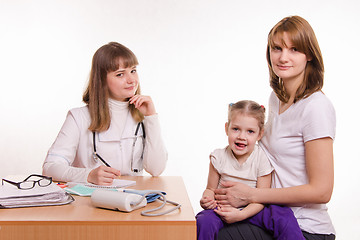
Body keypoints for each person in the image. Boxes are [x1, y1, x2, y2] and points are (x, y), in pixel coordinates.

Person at [215, 16, 336, 240]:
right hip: (270, 215)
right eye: (277, 48)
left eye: (294, 49)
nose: (283, 57)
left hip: (303, 227)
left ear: (309, 54)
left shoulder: (316, 107)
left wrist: (251, 195)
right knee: (205, 225)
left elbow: (322, 191)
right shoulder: (276, 99)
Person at [43, 42, 167, 185]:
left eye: (133, 70)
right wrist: (87, 175)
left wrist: (151, 118)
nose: (132, 80)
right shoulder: (78, 117)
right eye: (120, 74)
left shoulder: (142, 114)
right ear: (101, 80)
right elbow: (49, 168)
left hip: (132, 200)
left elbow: (156, 169)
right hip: (90, 202)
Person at [196, 100, 305, 240]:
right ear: (226, 128)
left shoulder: (262, 159)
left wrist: (241, 214)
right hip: (223, 208)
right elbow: (210, 188)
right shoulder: (218, 157)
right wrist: (207, 199)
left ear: (260, 134)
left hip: (254, 209)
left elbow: (262, 198)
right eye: (236, 129)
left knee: (283, 216)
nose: (242, 136)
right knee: (204, 221)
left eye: (250, 131)